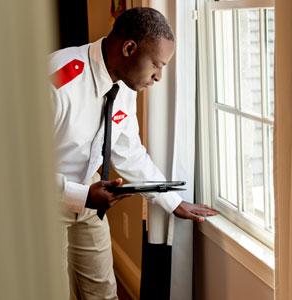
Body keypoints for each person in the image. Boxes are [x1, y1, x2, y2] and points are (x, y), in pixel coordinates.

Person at [50, 7, 217, 300]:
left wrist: (173, 202)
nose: (158, 77)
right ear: (129, 48)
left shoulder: (124, 85)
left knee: (103, 293)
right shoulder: (58, 81)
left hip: (88, 197)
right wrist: (83, 195)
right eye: (156, 64)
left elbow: (129, 151)